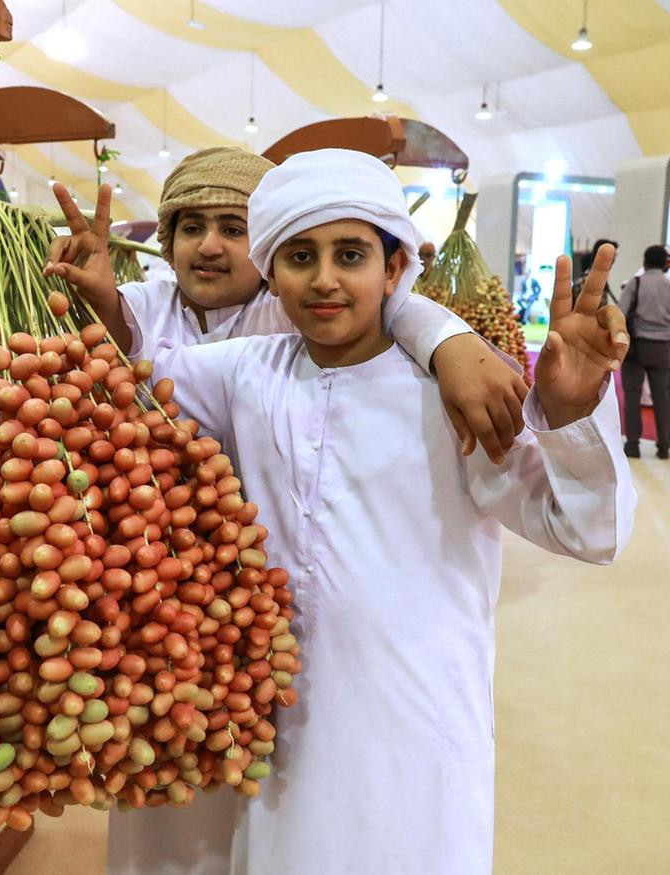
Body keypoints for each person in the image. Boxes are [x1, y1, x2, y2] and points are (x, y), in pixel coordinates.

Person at [112, 149, 634, 875]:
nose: (324, 279)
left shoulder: (452, 390)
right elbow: (123, 384)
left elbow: (590, 530)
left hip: (415, 723)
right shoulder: (245, 372)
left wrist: (574, 412)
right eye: (299, 255)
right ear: (272, 273)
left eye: (350, 254)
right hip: (285, 720)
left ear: (393, 271)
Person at [45, 147, 528, 464]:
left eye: (233, 229)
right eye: (191, 228)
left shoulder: (299, 311)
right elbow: (121, 352)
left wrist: (452, 342)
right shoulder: (134, 303)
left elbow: (396, 309)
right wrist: (100, 302)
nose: (209, 247)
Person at [617, 243, 670, 458]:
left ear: (645, 261)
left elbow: (620, 313)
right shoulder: (668, 285)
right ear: (665, 263)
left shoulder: (635, 283)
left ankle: (632, 445)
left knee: (632, 396)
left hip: (636, 348)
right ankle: (664, 446)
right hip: (664, 348)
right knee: (663, 397)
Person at [574, 238, 619, 307]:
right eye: (612, 256)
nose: (614, 260)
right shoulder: (584, 282)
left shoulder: (601, 281)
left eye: (615, 256)